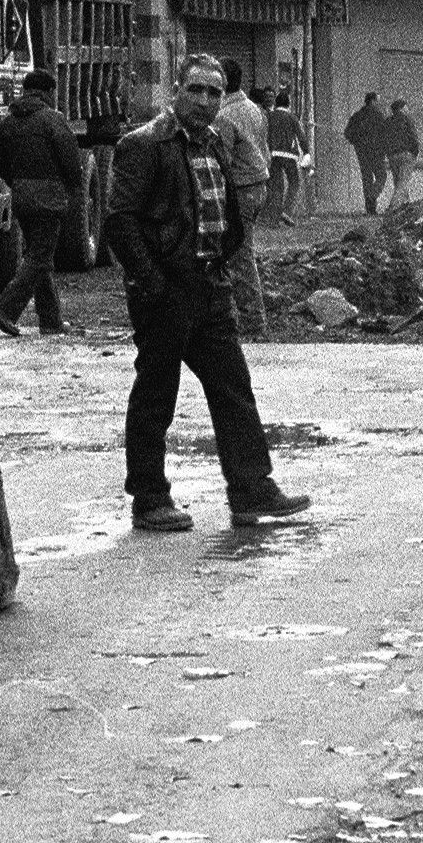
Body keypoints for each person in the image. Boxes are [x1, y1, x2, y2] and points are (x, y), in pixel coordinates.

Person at [106, 54, 312, 533]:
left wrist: (225, 259)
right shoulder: (144, 145)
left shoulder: (217, 141)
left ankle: (251, 489)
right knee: (157, 393)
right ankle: (150, 499)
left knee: (233, 390)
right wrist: (152, 281)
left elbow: (225, 210)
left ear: (223, 99)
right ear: (176, 90)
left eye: (214, 92)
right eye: (195, 89)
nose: (204, 101)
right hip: (166, 292)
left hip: (210, 286)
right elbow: (119, 221)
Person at [0, 69, 83, 337]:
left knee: (39, 257)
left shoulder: (8, 123)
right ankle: (6, 309)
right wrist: (70, 189)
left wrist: (19, 183)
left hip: (21, 197)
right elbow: (71, 164)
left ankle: (51, 321)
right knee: (40, 257)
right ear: (47, 92)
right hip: (48, 199)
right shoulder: (53, 121)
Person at [213, 59, 274, 330]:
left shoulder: (224, 117)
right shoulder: (254, 109)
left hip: (241, 189)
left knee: (240, 254)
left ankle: (252, 319)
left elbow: (221, 162)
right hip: (259, 185)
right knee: (236, 250)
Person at [266, 88, 305, 224]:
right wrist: (306, 152)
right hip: (289, 155)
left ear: (276, 103)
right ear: (288, 104)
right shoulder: (292, 117)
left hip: (274, 154)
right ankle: (287, 211)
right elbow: (301, 136)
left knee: (277, 187)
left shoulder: (269, 116)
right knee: (294, 182)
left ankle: (274, 220)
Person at [346, 91, 388, 213]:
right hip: (376, 152)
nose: (379, 103)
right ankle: (373, 195)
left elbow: (348, 133)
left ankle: (370, 209)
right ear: (373, 101)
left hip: (362, 152)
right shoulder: (379, 115)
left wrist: (358, 144)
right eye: (378, 101)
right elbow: (384, 134)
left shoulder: (357, 115)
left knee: (367, 178)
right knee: (381, 176)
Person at [382, 97, 422, 206]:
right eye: (406, 107)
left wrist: (388, 153)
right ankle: (393, 207)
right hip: (406, 155)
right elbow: (413, 137)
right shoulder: (407, 119)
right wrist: (415, 152)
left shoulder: (387, 122)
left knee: (398, 182)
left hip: (392, 156)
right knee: (403, 183)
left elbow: (384, 139)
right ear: (401, 109)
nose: (408, 109)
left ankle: (405, 206)